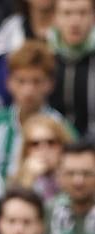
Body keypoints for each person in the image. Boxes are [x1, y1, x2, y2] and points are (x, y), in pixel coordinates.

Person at [0, 40, 71, 181]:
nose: (28, 91)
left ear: (50, 84)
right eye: (21, 81)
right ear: (8, 82)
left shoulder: (62, 130)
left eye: (36, 81)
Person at [45, 142, 95, 234]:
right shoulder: (48, 211)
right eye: (70, 173)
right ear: (59, 175)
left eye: (87, 173)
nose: (78, 181)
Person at [49, 0, 95, 136]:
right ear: (54, 18)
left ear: (93, 16)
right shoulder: (45, 58)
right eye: (67, 13)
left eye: (82, 13)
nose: (75, 22)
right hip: (54, 144)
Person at [8, 113, 69, 200]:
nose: (43, 149)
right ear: (26, 150)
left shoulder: (75, 177)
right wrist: (27, 180)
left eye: (51, 142)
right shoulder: (15, 182)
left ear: (62, 145)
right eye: (35, 144)